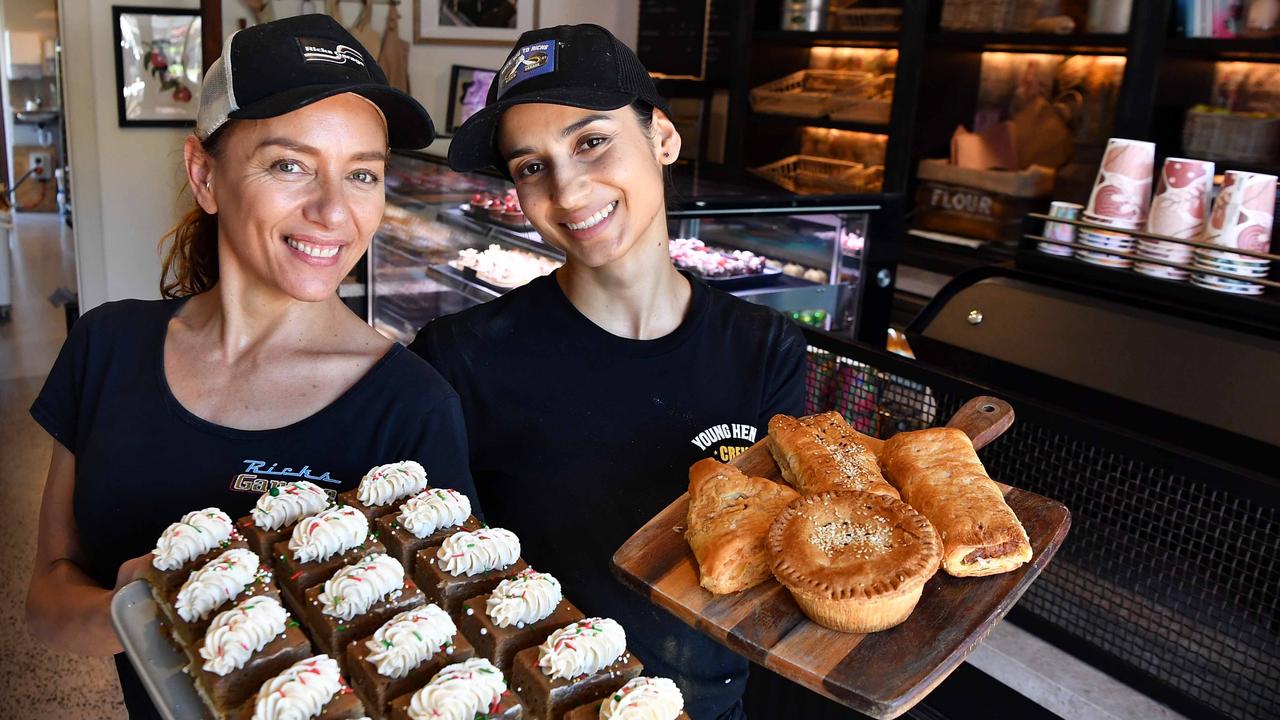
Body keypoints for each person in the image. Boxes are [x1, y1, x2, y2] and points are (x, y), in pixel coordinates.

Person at [26, 15, 475, 718]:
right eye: (290, 164)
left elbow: (440, 666)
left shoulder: (412, 408)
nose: (333, 211)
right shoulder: (104, 348)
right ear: (205, 176)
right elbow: (48, 601)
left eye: (363, 173)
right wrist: (145, 608)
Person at [412, 24, 806, 720]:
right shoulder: (461, 356)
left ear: (662, 138)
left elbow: (775, 568)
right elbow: (441, 581)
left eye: (591, 142)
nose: (566, 191)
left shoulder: (763, 348)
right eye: (530, 166)